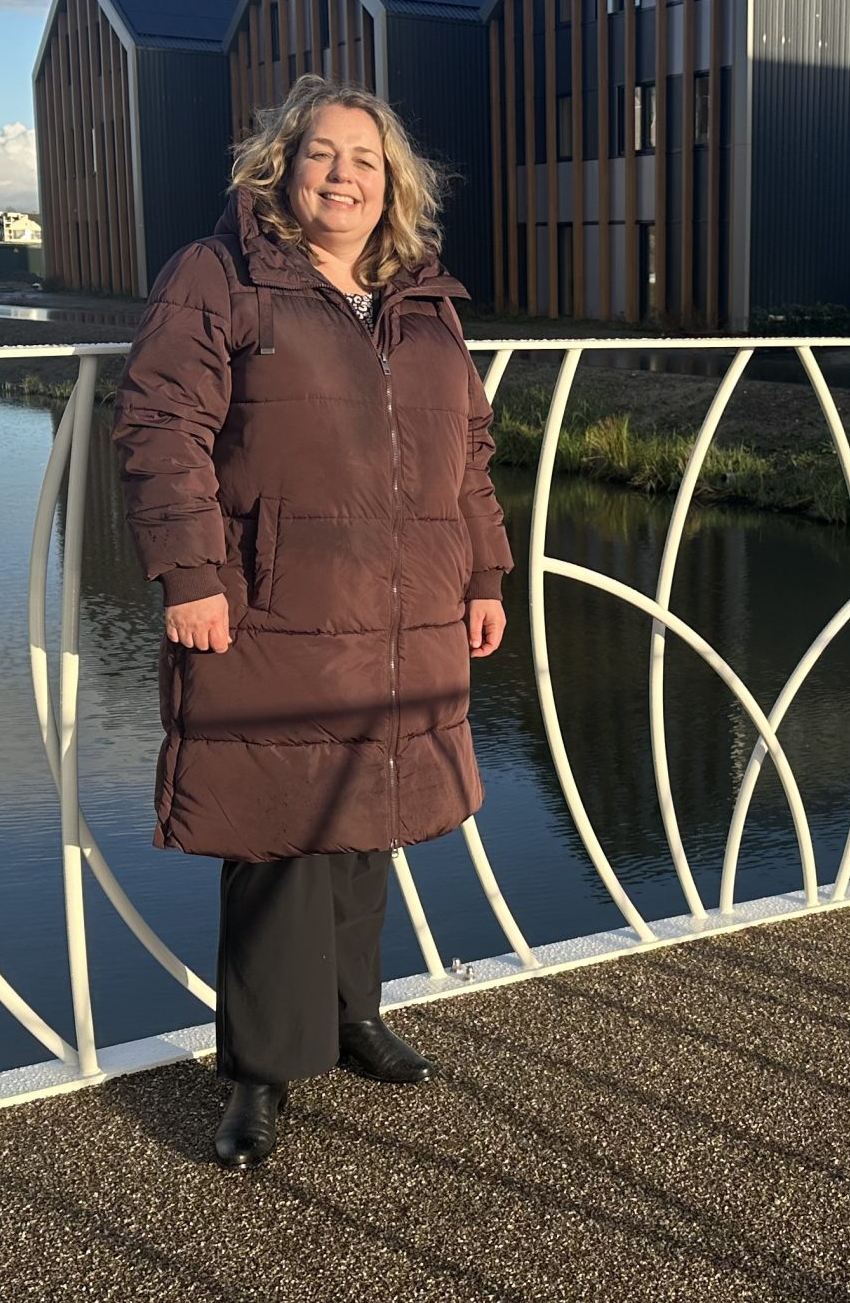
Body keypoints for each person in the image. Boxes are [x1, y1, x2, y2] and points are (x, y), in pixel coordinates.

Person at [115, 75, 511, 1169]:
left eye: (366, 160)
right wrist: (190, 571)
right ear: (281, 167)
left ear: (396, 186)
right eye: (323, 154)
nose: (344, 175)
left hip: (403, 606)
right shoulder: (220, 275)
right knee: (278, 833)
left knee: (363, 815)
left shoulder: (422, 298)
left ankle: (349, 1017)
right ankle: (257, 1070)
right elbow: (159, 424)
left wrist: (483, 574)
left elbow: (464, 455)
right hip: (276, 602)